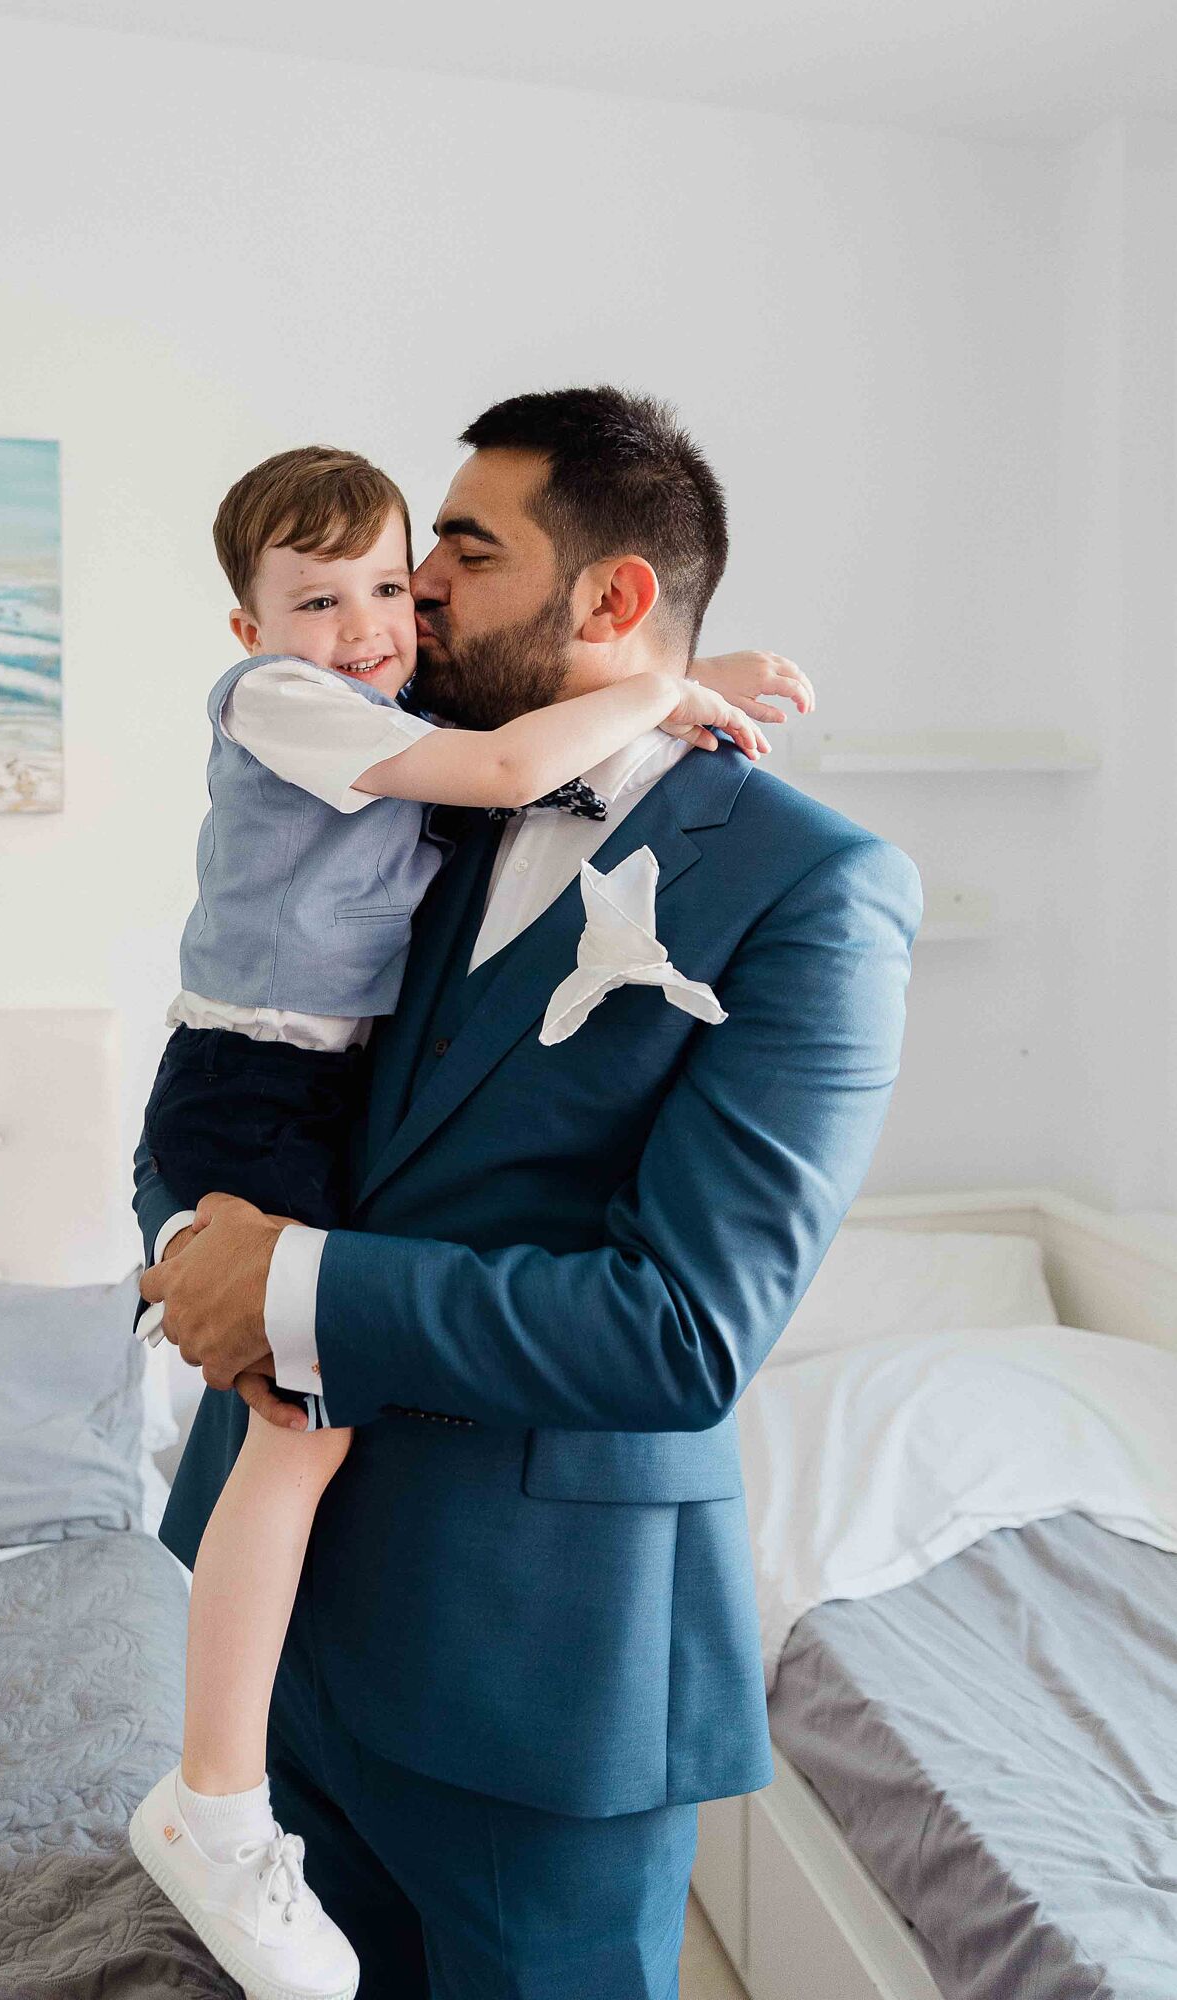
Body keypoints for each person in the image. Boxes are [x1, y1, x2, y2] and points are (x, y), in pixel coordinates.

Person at [137, 385, 921, 2000]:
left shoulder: (814, 891)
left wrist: (283, 1290)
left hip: (538, 1664)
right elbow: (240, 1051)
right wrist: (189, 1239)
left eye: (458, 559)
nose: (411, 592)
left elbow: (682, 1334)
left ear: (612, 604)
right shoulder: (414, 794)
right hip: (292, 1637)